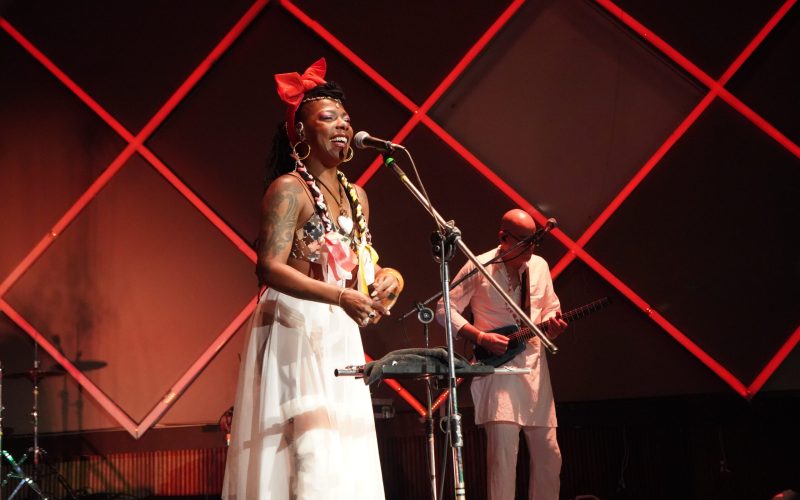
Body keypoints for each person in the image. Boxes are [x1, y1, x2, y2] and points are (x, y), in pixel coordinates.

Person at [222, 58, 402, 499]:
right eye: (329, 118)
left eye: (346, 118)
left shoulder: (357, 195)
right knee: (310, 450)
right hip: (295, 325)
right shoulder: (289, 189)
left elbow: (361, 262)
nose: (343, 125)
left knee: (346, 446)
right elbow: (268, 267)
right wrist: (339, 296)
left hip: (339, 326)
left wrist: (389, 276)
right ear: (300, 132)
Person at [435, 208, 567, 500]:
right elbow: (445, 309)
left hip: (535, 373)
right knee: (503, 461)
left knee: (550, 456)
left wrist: (552, 327)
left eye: (533, 241)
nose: (529, 248)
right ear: (503, 238)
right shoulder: (479, 266)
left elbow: (549, 307)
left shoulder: (540, 266)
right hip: (499, 376)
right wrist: (479, 336)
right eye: (523, 241)